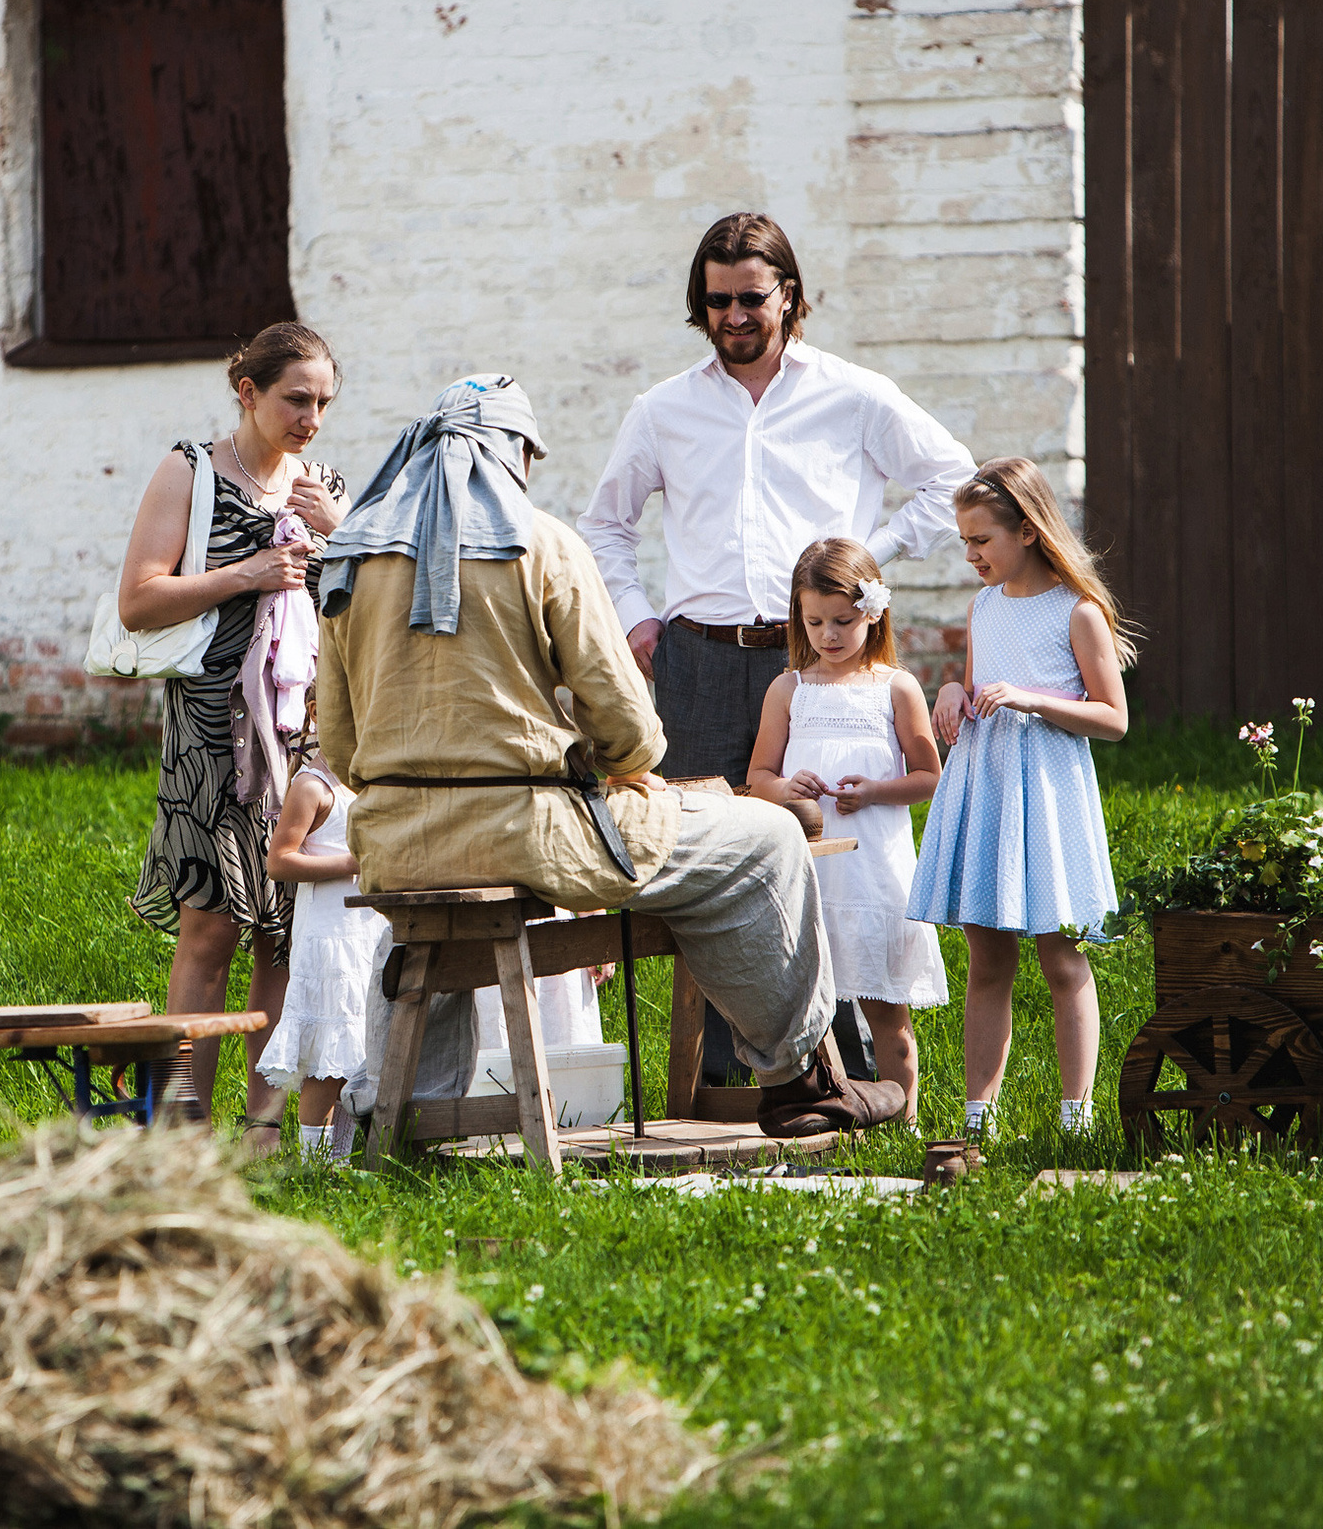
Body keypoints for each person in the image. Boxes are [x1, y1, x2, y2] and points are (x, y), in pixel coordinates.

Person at [315, 374, 906, 1139]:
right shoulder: (542, 543)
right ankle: (803, 1079)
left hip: (398, 840)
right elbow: (629, 727)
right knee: (765, 841)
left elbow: (340, 744)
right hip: (522, 833)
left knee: (423, 931)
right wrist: (611, 758)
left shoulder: (351, 553)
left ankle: (393, 1120)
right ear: (514, 454)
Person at [579, 210, 974, 1077]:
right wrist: (641, 619)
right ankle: (729, 1075)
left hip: (824, 663)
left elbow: (955, 480)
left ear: (788, 296)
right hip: (703, 662)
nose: (733, 316)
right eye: (717, 301)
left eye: (750, 298)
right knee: (710, 863)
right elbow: (604, 525)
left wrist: (870, 565)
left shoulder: (855, 394)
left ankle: (849, 1072)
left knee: (832, 861)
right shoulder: (663, 409)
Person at [117, 322, 349, 1148]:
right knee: (210, 929)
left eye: (323, 401)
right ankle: (183, 1127)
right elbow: (139, 600)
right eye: (296, 398)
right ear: (247, 390)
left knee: (287, 930)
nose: (311, 417)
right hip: (212, 732)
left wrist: (344, 535)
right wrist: (244, 575)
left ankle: (263, 1130)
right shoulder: (190, 471)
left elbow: (361, 615)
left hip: (304, 736)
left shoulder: (326, 489)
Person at [905, 458, 1134, 1138]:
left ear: (1028, 531)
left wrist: (1032, 698)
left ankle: (1076, 1118)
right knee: (987, 958)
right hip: (990, 786)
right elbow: (978, 687)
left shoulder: (1077, 611)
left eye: (982, 540)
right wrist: (951, 691)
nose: (971, 554)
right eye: (965, 540)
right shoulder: (983, 607)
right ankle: (979, 1116)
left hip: (1048, 793)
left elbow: (1114, 718)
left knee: (1062, 957)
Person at [745, 538, 945, 1125]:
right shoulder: (790, 691)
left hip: (875, 872)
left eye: (843, 621)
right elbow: (758, 775)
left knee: (889, 1013)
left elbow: (928, 775)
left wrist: (874, 791)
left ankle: (902, 1124)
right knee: (807, 1007)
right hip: (810, 875)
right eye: (814, 622)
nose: (828, 635)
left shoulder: (896, 688)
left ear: (873, 613)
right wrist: (787, 789)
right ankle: (819, 1112)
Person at [255, 754, 386, 1157]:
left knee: (354, 1051)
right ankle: (316, 1160)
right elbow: (279, 860)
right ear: (314, 713)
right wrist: (350, 863)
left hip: (365, 931)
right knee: (326, 1056)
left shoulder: (369, 779)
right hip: (329, 938)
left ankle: (339, 1159)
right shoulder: (313, 786)